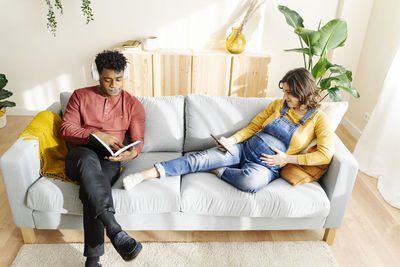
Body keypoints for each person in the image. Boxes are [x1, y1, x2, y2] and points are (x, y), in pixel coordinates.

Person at [123, 67, 334, 193]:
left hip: (267, 167)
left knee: (250, 183)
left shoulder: (318, 119)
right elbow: (253, 126)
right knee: (198, 159)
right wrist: (231, 141)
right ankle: (144, 175)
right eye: (285, 92)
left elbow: (324, 155)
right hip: (244, 149)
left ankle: (219, 170)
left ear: (303, 92)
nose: (285, 97)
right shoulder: (279, 106)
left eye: (290, 93)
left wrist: (287, 160)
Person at [60, 50, 145, 267]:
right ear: (98, 76)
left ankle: (93, 260)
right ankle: (114, 228)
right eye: (108, 80)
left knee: (94, 189)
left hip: (110, 160)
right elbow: (66, 129)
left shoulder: (133, 104)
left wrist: (132, 152)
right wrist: (95, 135)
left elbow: (138, 139)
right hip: (80, 155)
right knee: (88, 162)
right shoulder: (79, 96)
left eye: (118, 79)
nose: (114, 85)